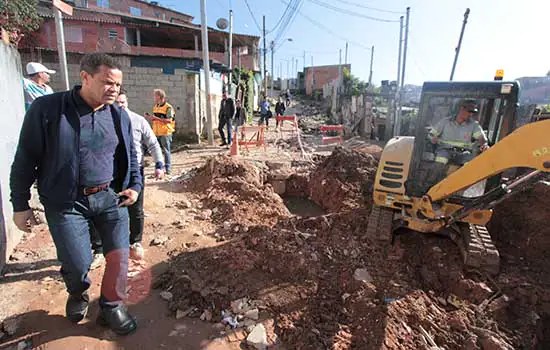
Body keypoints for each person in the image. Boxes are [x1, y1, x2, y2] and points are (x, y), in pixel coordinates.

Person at [10, 53, 141, 335]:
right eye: (107, 82)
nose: (114, 90)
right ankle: (78, 292)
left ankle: (112, 306)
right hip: (66, 203)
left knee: (119, 255)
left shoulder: (118, 116)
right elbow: (25, 158)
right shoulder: (48, 109)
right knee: (77, 260)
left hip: (110, 197)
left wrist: (135, 186)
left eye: (117, 85)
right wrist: (20, 204)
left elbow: (130, 155)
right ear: (85, 77)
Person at [90, 89, 164, 266]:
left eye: (123, 102)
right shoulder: (102, 122)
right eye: (117, 103)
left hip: (133, 171)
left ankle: (135, 241)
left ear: (127, 102)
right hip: (110, 174)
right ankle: (99, 248)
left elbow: (152, 143)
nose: (120, 106)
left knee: (135, 209)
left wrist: (159, 164)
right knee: (101, 211)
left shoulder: (138, 121)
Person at [428, 99, 489, 184]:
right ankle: (430, 185)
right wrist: (433, 138)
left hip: (463, 153)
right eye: (469, 111)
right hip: (445, 150)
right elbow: (431, 134)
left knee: (469, 167)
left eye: (473, 112)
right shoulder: (445, 122)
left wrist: (484, 144)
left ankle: (456, 191)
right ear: (461, 109)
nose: (471, 114)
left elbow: (481, 138)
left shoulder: (474, 125)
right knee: (440, 161)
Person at [146, 89, 175, 175]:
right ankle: (159, 169)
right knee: (156, 151)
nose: (154, 97)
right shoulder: (156, 107)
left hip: (165, 132)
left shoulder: (168, 108)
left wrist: (156, 118)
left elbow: (169, 120)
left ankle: (168, 169)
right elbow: (156, 119)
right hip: (156, 132)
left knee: (166, 151)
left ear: (160, 96)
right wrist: (150, 118)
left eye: (155, 95)